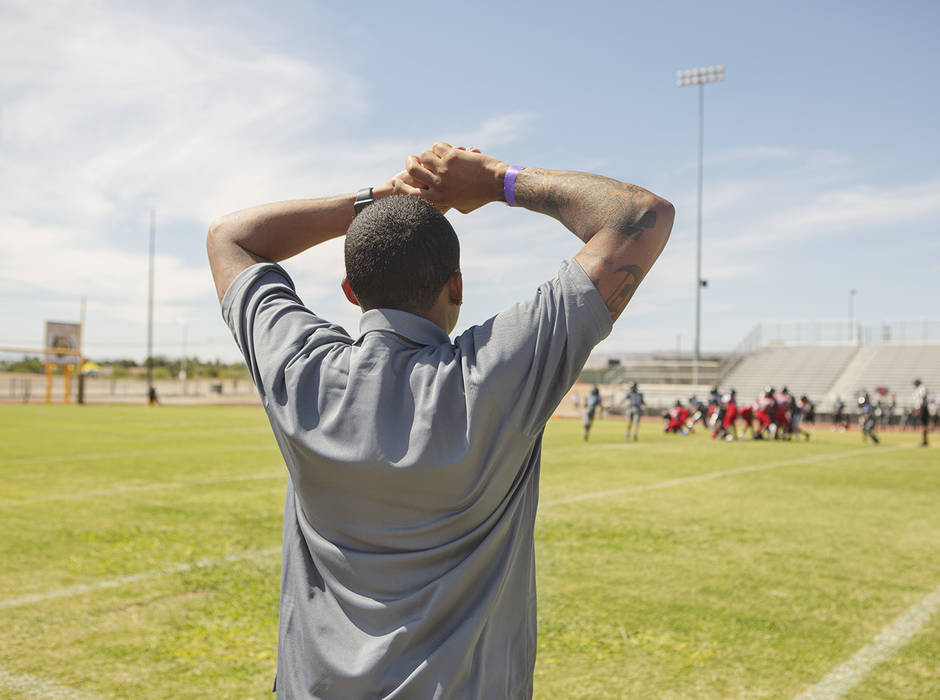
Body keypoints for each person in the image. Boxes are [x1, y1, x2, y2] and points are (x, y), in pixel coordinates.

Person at [206, 142, 674, 698]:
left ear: (351, 293)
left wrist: (382, 198)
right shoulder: (495, 376)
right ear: (456, 286)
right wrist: (497, 180)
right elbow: (641, 214)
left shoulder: (303, 372)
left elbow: (230, 238)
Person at [913, 377, 929, 446]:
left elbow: (923, 398)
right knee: (923, 425)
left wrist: (920, 409)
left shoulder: (921, 388)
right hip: (922, 408)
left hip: (923, 408)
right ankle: (924, 440)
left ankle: (924, 441)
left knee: (923, 425)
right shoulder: (919, 389)